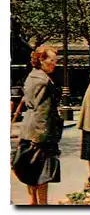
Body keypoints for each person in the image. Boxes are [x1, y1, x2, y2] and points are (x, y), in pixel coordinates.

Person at [13, 46, 62, 205]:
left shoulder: (32, 76)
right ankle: (43, 205)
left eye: (55, 61)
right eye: (51, 60)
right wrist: (41, 137)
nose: (54, 64)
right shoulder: (43, 81)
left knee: (31, 170)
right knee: (43, 172)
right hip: (40, 132)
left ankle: (32, 202)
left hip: (28, 129)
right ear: (41, 60)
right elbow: (43, 110)